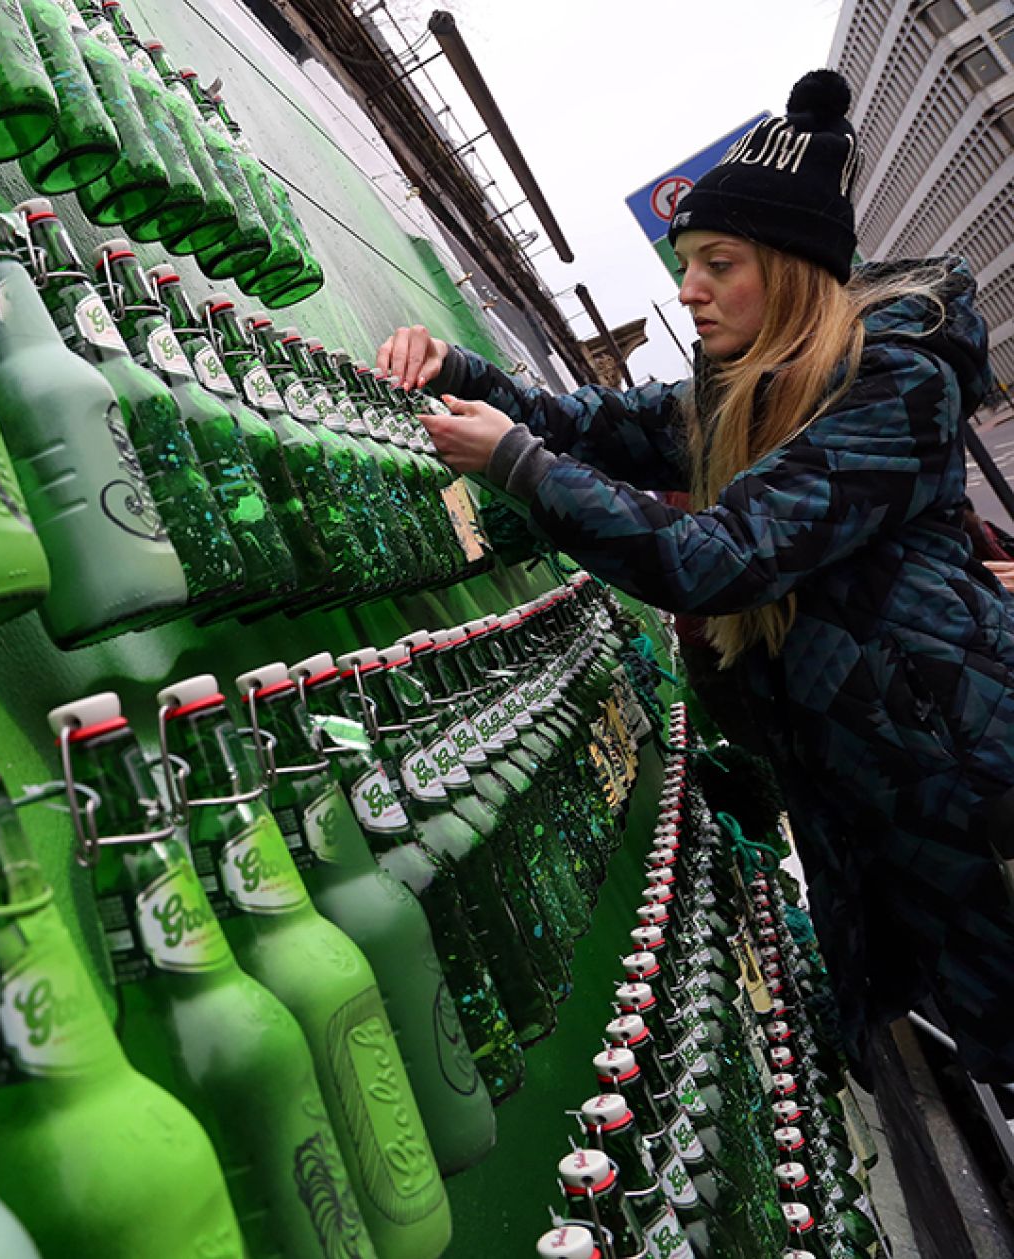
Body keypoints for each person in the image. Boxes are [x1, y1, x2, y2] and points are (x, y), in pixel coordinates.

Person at [378, 69, 1014, 1083]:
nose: (687, 291)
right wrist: (465, 374)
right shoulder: (750, 392)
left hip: (975, 802)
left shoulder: (893, 387)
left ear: (794, 270)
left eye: (719, 263)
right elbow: (601, 425)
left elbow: (709, 559)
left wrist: (515, 464)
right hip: (888, 804)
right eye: (687, 263)